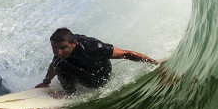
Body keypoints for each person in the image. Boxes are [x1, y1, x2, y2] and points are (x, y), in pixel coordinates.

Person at [35, 27, 163, 94]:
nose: (58, 52)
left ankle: (69, 93)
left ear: (73, 43)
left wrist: (155, 63)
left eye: (63, 48)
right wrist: (46, 81)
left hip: (99, 76)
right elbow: (54, 63)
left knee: (61, 64)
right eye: (55, 47)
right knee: (59, 63)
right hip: (81, 69)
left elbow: (126, 54)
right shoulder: (60, 50)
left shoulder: (93, 47)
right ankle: (70, 88)